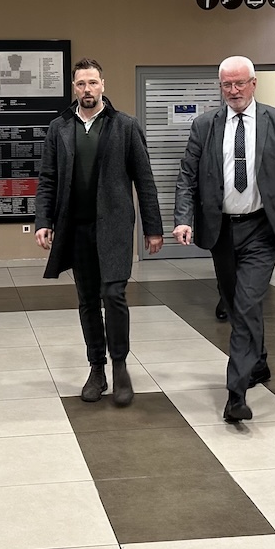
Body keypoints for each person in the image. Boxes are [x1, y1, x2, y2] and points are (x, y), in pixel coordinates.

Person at [173, 56, 275, 423]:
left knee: (246, 304)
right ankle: (258, 361)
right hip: (222, 230)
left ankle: (236, 394)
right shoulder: (205, 125)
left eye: (240, 83)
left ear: (253, 83)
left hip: (262, 229)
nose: (233, 91)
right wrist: (183, 219)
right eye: (227, 85)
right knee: (235, 304)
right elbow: (187, 176)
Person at [35, 58, 164, 407]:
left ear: (103, 85)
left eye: (92, 82)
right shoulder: (59, 127)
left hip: (115, 227)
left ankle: (120, 366)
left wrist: (153, 228)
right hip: (76, 229)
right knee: (88, 300)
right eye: (81, 84)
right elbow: (47, 179)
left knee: (114, 295)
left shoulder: (125, 126)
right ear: (74, 88)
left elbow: (145, 180)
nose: (87, 89)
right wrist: (43, 221)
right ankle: (97, 369)